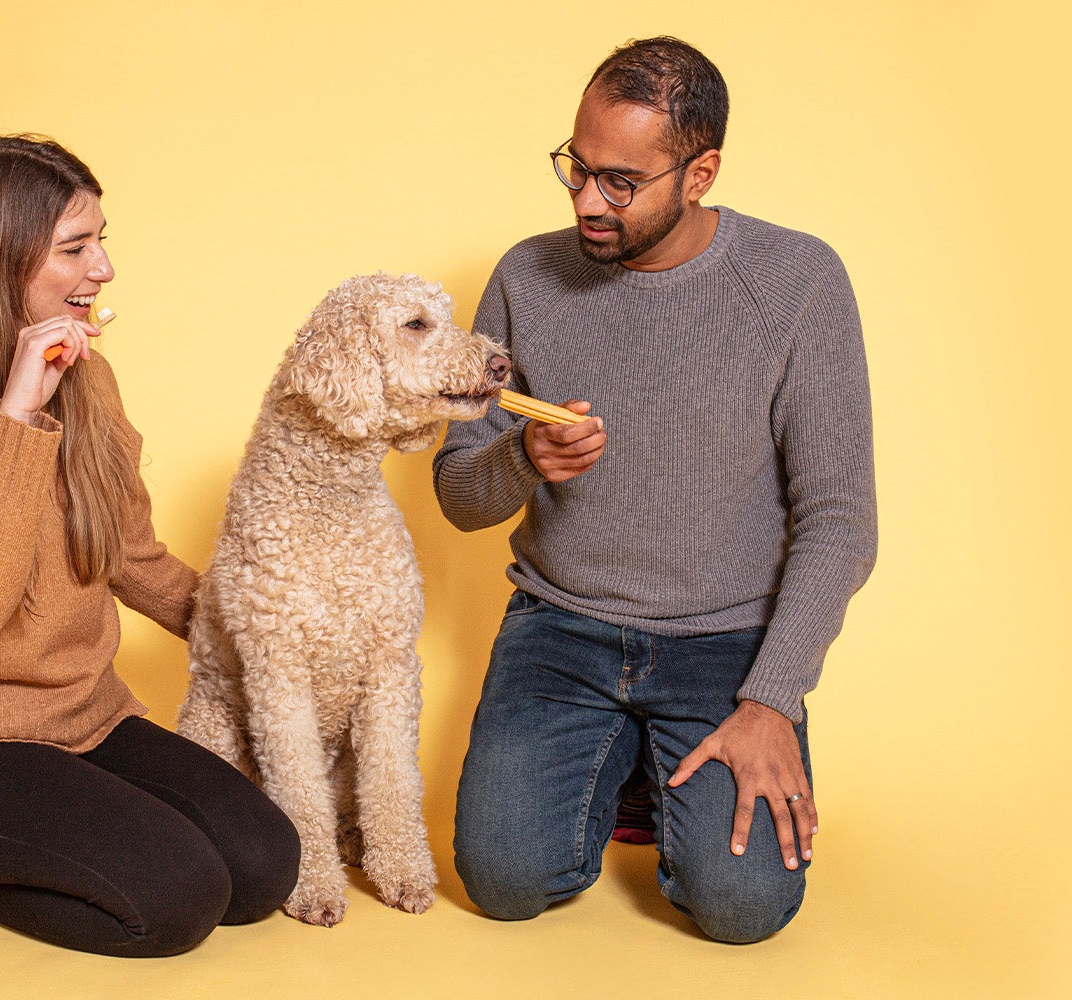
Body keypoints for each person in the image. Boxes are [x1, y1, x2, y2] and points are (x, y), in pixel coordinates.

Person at [434, 38, 877, 943]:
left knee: (742, 909)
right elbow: (457, 494)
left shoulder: (797, 283)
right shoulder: (526, 275)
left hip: (726, 643)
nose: (588, 201)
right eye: (577, 168)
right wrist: (524, 459)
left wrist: (771, 701)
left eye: (622, 182)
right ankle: (626, 758)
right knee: (504, 882)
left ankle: (659, 763)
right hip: (560, 627)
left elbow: (840, 520)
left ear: (700, 171)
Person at [0, 135, 299, 958]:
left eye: (102, 241)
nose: (104, 269)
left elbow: (132, 557)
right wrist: (17, 417)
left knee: (266, 867)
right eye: (75, 247)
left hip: (85, 718)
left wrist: (261, 630)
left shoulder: (90, 377)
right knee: (178, 900)